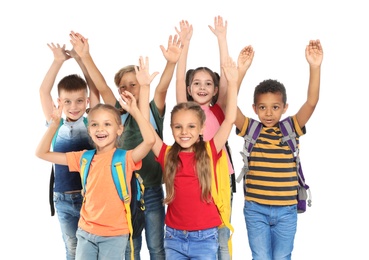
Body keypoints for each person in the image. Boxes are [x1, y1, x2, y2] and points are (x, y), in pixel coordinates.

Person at [69, 31, 182, 260]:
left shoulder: (150, 110)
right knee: (131, 246)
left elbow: (161, 88)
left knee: (156, 246)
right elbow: (101, 85)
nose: (129, 88)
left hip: (150, 190)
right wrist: (86, 56)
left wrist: (171, 63)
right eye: (123, 85)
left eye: (135, 84)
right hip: (124, 193)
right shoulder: (115, 117)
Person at [35, 57, 157, 260]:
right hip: (85, 233)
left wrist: (135, 110)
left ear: (119, 129)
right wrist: (54, 125)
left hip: (115, 234)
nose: (101, 129)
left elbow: (150, 140)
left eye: (107, 125)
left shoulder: (125, 158)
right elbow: (41, 153)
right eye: (95, 125)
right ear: (88, 130)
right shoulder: (84, 158)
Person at [234, 39, 323, 260]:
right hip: (255, 209)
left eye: (275, 107)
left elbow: (311, 102)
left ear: (285, 108)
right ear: (254, 108)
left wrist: (315, 67)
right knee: (261, 257)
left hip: (286, 210)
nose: (269, 113)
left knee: (283, 257)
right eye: (262, 107)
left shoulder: (291, 127)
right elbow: (229, 106)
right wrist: (241, 71)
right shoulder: (250, 128)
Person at [175, 17, 254, 260]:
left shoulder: (219, 109)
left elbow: (226, 74)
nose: (202, 87)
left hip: (220, 177)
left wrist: (222, 38)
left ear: (216, 89)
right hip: (190, 176)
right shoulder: (185, 109)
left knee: (221, 231)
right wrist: (185, 44)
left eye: (208, 84)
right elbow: (179, 78)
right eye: (196, 83)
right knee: (197, 229)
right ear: (189, 89)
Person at [148, 55, 238, 260]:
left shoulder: (210, 150)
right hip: (173, 237)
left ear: (201, 128)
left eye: (191, 127)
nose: (184, 132)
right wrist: (142, 97)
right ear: (171, 128)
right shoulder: (168, 154)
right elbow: (149, 133)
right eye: (178, 127)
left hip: (206, 237)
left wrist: (232, 83)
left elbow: (230, 118)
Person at [39, 42, 99, 260]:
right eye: (67, 101)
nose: (74, 106)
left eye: (80, 101)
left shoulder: (92, 122)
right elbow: (43, 91)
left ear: (87, 101)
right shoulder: (54, 124)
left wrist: (82, 58)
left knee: (92, 247)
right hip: (62, 198)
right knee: (72, 249)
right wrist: (57, 62)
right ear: (59, 102)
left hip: (89, 197)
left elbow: (94, 87)